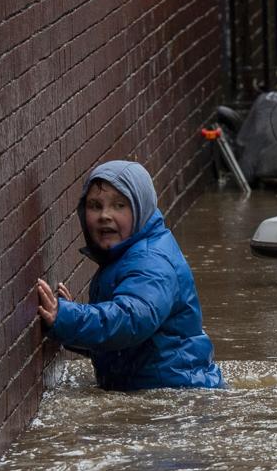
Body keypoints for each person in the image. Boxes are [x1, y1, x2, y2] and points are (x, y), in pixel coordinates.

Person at [33, 160, 225, 390]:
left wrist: (67, 316)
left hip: (176, 395)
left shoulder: (151, 263)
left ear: (141, 208)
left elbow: (130, 321)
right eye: (95, 206)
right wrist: (70, 323)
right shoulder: (126, 255)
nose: (105, 215)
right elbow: (121, 345)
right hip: (162, 388)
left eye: (119, 205)